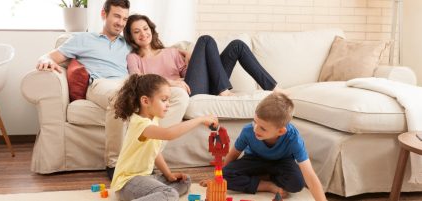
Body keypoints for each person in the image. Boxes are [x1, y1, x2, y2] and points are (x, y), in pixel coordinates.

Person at [35, 0, 190, 180]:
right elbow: (50, 55)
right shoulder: (82, 39)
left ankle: (147, 152)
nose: (121, 22)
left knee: (179, 95)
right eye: (117, 16)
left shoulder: (128, 44)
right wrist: (45, 60)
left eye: (124, 18)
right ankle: (115, 163)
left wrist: (182, 52)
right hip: (101, 84)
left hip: (132, 84)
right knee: (120, 97)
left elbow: (153, 48)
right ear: (103, 14)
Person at [110, 73, 218, 200]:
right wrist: (200, 119)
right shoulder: (140, 123)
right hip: (126, 184)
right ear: (145, 101)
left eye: (168, 100)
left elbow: (154, 151)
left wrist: (168, 174)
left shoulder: (152, 119)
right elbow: (169, 134)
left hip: (143, 178)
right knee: (170, 193)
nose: (168, 104)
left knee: (184, 181)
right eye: (163, 100)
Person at [201, 92, 327, 201]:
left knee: (297, 183)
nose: (256, 128)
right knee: (225, 174)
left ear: (280, 131)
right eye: (255, 121)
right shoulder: (248, 131)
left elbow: (309, 175)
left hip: (282, 162)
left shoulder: (294, 139)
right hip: (255, 159)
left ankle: (263, 176)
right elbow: (233, 155)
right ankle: (267, 185)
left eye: (262, 128)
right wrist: (217, 178)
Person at [123, 14, 279, 96]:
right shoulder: (133, 57)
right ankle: (223, 90)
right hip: (188, 91)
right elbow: (136, 79)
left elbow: (188, 74)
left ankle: (274, 88)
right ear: (131, 37)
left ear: (151, 29)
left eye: (145, 28)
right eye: (137, 31)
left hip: (199, 85)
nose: (143, 34)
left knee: (237, 45)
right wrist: (170, 83)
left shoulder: (171, 52)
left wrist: (191, 60)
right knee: (205, 39)